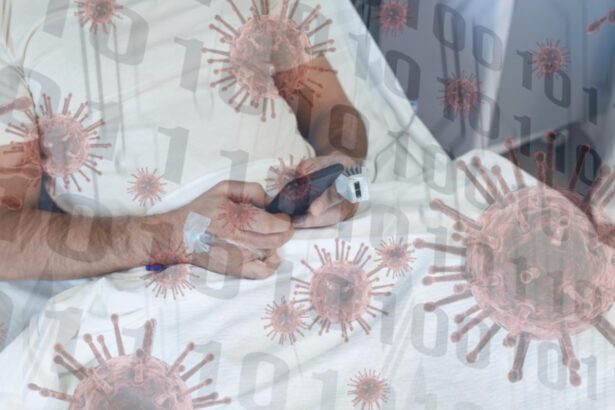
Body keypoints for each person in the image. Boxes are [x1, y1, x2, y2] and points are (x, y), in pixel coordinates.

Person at [0, 0, 367, 280]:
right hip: (156, 280)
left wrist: (342, 166)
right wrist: (171, 236)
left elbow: (331, 111)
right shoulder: (11, 18)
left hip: (322, 237)